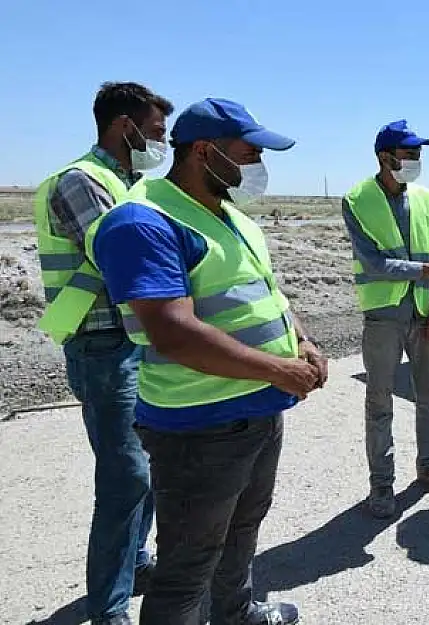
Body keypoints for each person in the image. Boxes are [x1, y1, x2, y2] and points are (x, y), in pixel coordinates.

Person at [86, 98, 324, 624]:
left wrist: (300, 341)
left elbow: (268, 292)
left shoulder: (230, 216)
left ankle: (237, 614)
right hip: (199, 429)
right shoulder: (142, 221)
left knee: (241, 533)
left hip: (257, 412)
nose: (258, 167)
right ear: (203, 151)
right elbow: (172, 332)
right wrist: (277, 369)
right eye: (249, 154)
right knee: (187, 567)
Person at [31, 81, 172, 625]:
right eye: (155, 132)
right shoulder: (81, 182)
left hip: (137, 338)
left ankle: (136, 562)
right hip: (102, 343)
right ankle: (109, 610)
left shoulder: (129, 184)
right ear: (124, 127)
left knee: (152, 463)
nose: (160, 143)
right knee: (125, 475)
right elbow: (128, 259)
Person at [341, 120, 429, 519]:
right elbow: (374, 263)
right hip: (384, 317)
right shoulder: (358, 199)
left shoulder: (426, 199)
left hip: (426, 313)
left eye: (418, 154)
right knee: (380, 402)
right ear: (385, 157)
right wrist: (427, 272)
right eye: (409, 154)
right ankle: (381, 485)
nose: (416, 160)